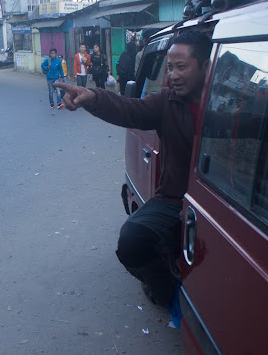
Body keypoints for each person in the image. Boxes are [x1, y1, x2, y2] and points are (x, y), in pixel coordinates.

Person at [54, 30, 212, 314]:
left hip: (219, 200)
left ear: (206, 66)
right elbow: (128, 108)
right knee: (131, 242)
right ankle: (166, 291)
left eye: (181, 67)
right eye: (169, 68)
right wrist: (93, 98)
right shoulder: (166, 102)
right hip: (175, 198)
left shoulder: (229, 104)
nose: (173, 75)